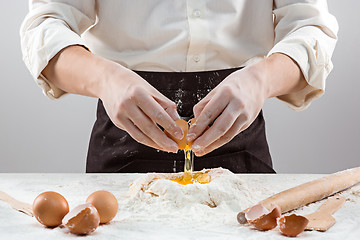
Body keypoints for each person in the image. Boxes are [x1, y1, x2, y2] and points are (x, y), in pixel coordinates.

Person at [20, 0, 338, 173]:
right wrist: (107, 78)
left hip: (241, 141)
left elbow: (310, 27)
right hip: (121, 143)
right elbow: (44, 27)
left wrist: (260, 79)